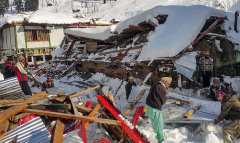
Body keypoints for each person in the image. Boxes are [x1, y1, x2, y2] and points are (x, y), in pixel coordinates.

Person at [145, 77, 172, 143]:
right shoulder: (162, 89)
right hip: (155, 108)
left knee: (154, 122)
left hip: (149, 106)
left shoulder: (155, 84)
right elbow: (163, 101)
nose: (169, 85)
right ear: (165, 83)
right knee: (159, 124)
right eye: (169, 84)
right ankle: (160, 140)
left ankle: (155, 134)